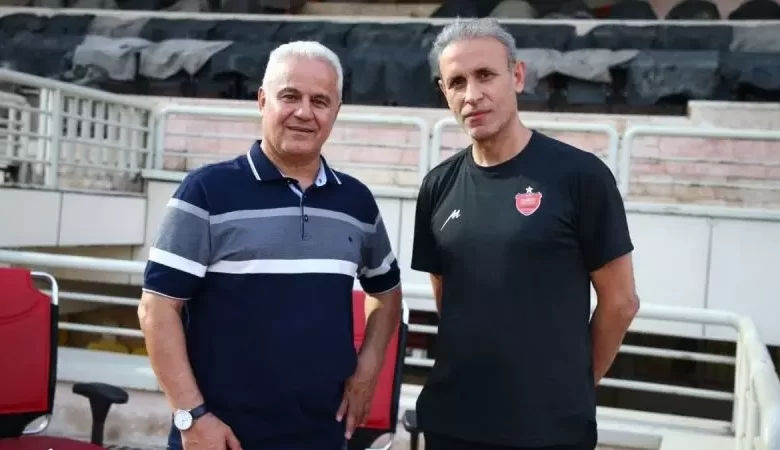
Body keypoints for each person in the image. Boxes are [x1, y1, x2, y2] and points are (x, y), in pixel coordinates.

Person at [138, 40, 403, 450]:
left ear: (336, 110)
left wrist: (368, 370)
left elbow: (386, 294)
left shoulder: (356, 202)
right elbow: (157, 309)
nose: (304, 112)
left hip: (322, 436)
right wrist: (191, 416)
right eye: (290, 96)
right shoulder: (206, 191)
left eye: (320, 101)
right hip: (221, 438)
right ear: (263, 100)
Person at [410, 18, 640, 450]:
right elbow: (449, 298)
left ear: (517, 76)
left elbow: (621, 302)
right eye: (457, 82)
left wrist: (571, 385)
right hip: (451, 423)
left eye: (485, 75)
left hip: (549, 430)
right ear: (444, 92)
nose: (472, 95)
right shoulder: (437, 186)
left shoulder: (580, 176)